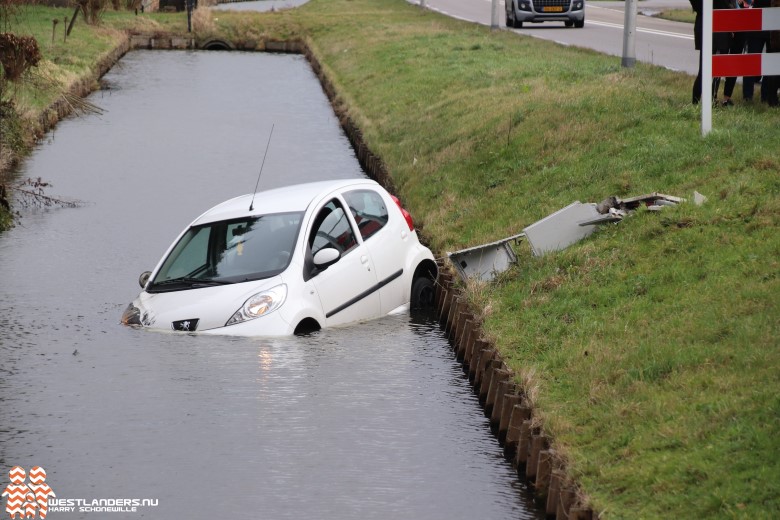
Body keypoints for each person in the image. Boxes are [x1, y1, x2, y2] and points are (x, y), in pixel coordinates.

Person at [690, 0, 735, 104]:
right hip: (713, 25)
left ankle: (708, 99)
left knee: (715, 69)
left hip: (718, 24)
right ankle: (700, 101)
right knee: (707, 70)